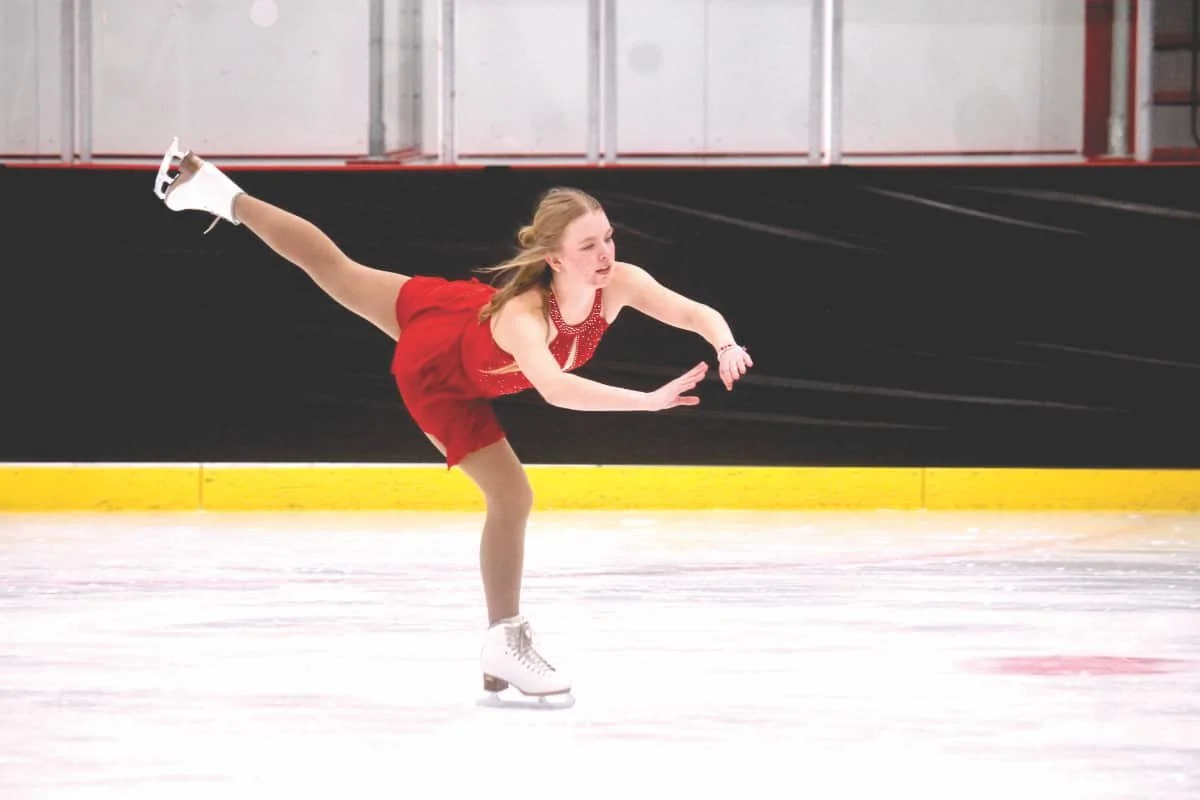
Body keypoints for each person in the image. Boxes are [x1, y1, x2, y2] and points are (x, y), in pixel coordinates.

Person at [153, 138, 754, 700]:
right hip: (439, 378)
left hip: (456, 316)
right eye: (589, 246)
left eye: (608, 239)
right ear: (554, 258)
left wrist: (724, 343)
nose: (606, 254)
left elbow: (691, 310)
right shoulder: (525, 315)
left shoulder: (619, 283)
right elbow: (555, 388)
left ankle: (210, 189)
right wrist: (645, 401)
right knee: (513, 496)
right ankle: (504, 640)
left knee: (338, 268)